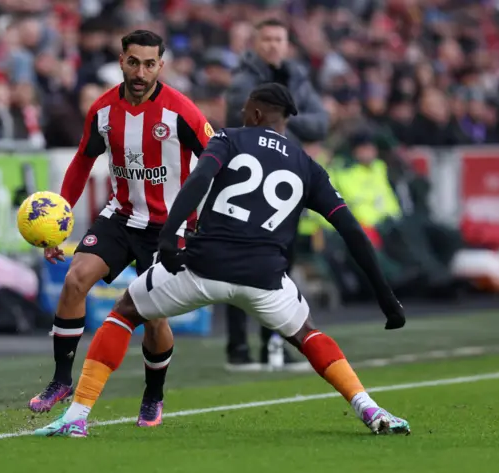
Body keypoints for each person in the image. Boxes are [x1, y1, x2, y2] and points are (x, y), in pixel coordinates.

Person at [34, 83, 410, 438]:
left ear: (258, 113)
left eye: (246, 109)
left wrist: (169, 237)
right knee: (309, 333)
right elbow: (352, 232)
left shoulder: (230, 138)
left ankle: (77, 415)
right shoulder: (307, 165)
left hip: (205, 266)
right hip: (266, 279)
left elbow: (198, 180)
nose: (242, 113)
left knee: (125, 312)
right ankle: (369, 407)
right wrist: (386, 298)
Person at [28, 30, 214, 428]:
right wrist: (57, 224)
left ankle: (153, 394)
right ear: (121, 61)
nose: (141, 72)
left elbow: (217, 162)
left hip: (167, 228)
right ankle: (61, 381)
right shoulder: (102, 110)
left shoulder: (183, 113)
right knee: (76, 279)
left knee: (154, 318)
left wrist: (202, 219)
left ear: (160, 66)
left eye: (149, 64)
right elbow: (81, 162)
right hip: (121, 216)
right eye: (134, 62)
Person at [224, 18, 330, 369]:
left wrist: (284, 114)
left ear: (287, 44)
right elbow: (242, 122)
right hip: (250, 182)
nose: (272, 45)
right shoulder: (242, 80)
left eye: (278, 39)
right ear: (256, 43)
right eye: (266, 38)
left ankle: (275, 344)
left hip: (285, 183)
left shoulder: (297, 77)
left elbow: (322, 123)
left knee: (280, 264)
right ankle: (239, 348)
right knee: (239, 266)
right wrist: (291, 114)